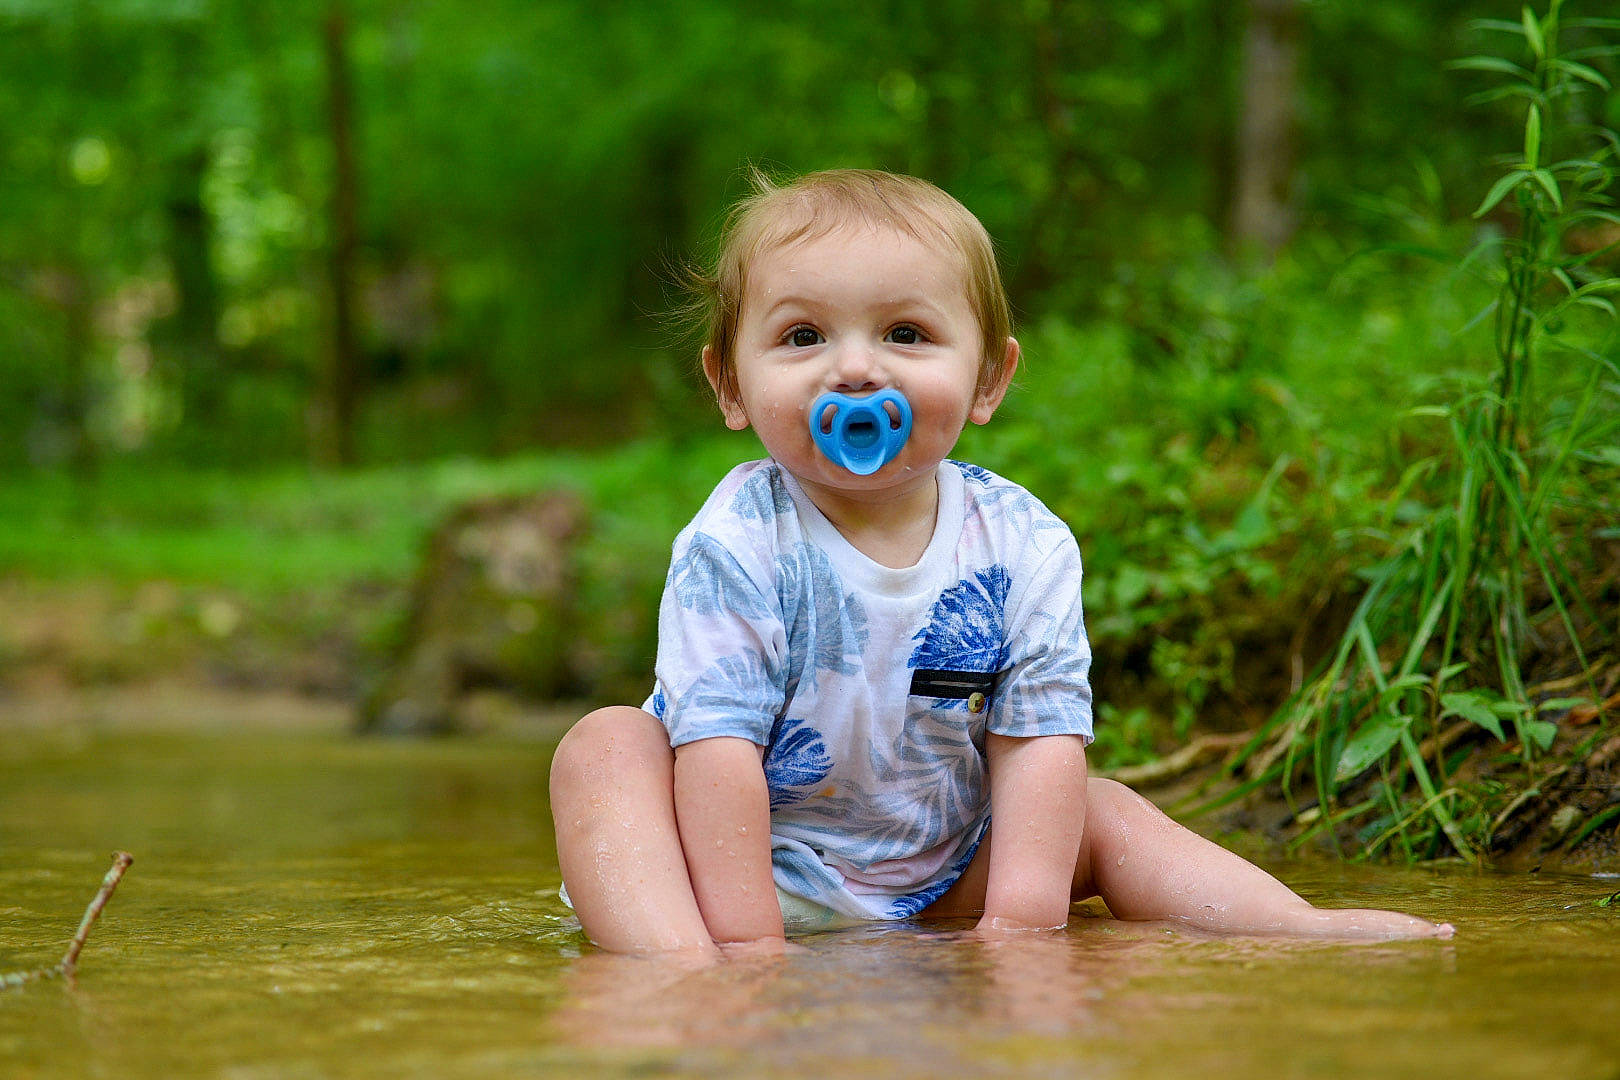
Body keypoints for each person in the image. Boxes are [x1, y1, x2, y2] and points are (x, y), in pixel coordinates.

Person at [549, 168, 1453, 956]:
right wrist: (750, 948)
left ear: (988, 378)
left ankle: (1293, 926)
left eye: (906, 334)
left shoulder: (1022, 542)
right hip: (734, 879)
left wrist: (1020, 932)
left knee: (1101, 809)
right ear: (730, 384)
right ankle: (676, 964)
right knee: (606, 748)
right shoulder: (738, 540)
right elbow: (717, 753)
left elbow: (1040, 739)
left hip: (940, 877)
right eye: (803, 337)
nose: (855, 370)